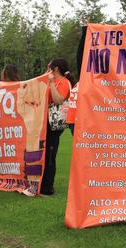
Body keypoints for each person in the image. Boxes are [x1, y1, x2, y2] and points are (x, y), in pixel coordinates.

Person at [40, 58, 71, 196]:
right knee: (44, 153)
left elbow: (59, 100)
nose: (47, 68)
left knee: (50, 154)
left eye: (49, 66)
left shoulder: (63, 82)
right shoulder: (48, 81)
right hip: (45, 120)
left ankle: (47, 187)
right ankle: (41, 183)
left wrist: (51, 83)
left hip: (54, 123)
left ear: (56, 68)